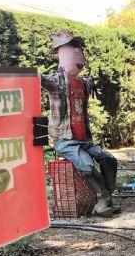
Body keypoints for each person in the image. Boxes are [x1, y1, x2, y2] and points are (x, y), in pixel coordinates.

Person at [42, 30, 119, 217]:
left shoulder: (83, 83)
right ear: (62, 54)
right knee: (86, 165)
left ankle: (107, 194)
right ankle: (103, 197)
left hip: (85, 139)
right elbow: (36, 80)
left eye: (79, 48)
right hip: (65, 140)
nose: (78, 52)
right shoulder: (56, 81)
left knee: (109, 160)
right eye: (72, 48)